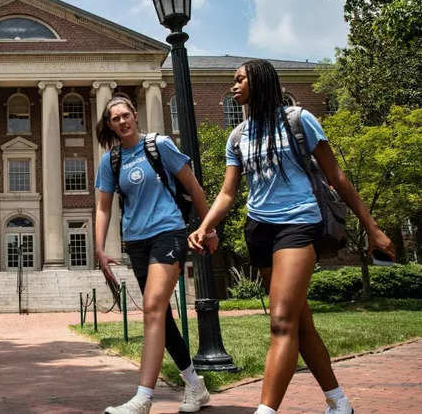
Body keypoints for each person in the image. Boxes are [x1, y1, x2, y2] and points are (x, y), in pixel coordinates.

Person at [188, 60, 396, 414]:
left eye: (239, 79)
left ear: (261, 81)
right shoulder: (238, 135)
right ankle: (339, 401)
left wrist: (373, 228)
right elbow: (228, 193)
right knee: (301, 323)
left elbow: (337, 177)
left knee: (282, 321)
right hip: (259, 230)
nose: (233, 86)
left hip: (298, 224)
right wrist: (205, 225)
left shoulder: (298, 120)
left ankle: (266, 410)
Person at [94, 93, 214, 414]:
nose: (122, 121)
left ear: (135, 114)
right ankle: (194, 384)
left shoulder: (159, 145)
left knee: (151, 307)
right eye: (115, 118)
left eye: (125, 115)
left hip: (169, 232)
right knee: (161, 316)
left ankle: (143, 398)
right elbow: (103, 208)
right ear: (110, 124)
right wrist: (100, 248)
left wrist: (208, 228)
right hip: (136, 240)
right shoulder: (111, 161)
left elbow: (193, 187)